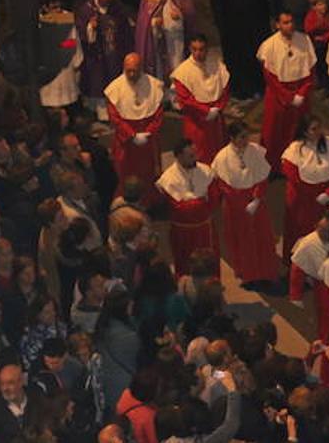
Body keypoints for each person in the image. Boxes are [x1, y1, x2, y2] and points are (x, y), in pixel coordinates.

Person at [211, 124, 278, 287]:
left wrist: (256, 199)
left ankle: (266, 272)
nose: (246, 140)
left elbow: (262, 177)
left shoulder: (255, 151)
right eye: (242, 137)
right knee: (243, 240)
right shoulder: (222, 157)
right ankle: (248, 274)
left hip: (256, 202)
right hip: (235, 206)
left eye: (247, 136)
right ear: (232, 138)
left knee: (262, 237)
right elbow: (224, 186)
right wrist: (242, 204)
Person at [210, 0, 272, 98]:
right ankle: (240, 89)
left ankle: (259, 85)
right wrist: (221, 26)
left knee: (257, 56)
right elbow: (216, 2)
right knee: (237, 59)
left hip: (256, 25)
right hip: (233, 27)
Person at [258, 12, 318, 172]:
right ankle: (274, 167)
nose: (289, 25)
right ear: (277, 24)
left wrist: (302, 93)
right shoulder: (269, 45)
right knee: (274, 132)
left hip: (300, 92)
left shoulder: (304, 40)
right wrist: (288, 96)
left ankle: (298, 163)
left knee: (299, 129)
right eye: (285, 22)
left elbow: (310, 71)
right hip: (278, 95)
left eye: (291, 22)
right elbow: (269, 77)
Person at [281, 118, 329, 260]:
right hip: (304, 202)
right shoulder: (295, 150)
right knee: (304, 233)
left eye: (319, 128)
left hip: (328, 198)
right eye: (313, 129)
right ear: (304, 132)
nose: (318, 132)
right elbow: (294, 178)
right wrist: (315, 194)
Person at [104, 54, 165, 199]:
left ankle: (150, 202)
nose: (131, 74)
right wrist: (132, 135)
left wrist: (148, 133)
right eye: (128, 71)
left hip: (148, 141)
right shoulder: (114, 89)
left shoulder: (154, 86)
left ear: (141, 68)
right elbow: (115, 118)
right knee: (125, 172)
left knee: (148, 172)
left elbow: (158, 115)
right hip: (126, 142)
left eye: (135, 71)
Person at [156, 140, 219, 276]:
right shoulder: (169, 178)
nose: (195, 158)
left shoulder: (205, 171)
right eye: (190, 156)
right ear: (179, 156)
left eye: (194, 154)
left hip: (204, 230)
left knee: (208, 263)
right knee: (185, 264)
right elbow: (177, 208)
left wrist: (194, 205)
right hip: (182, 232)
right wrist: (199, 203)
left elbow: (214, 200)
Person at [171, 35, 232, 162]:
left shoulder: (216, 64)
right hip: (196, 121)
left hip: (216, 119)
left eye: (201, 49)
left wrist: (218, 108)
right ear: (190, 49)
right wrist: (206, 111)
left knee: (220, 152)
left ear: (207, 49)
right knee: (200, 154)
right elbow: (185, 99)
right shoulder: (182, 71)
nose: (198, 53)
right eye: (194, 49)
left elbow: (225, 88)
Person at [134, 0, 199, 80]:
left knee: (177, 66)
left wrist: (181, 15)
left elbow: (190, 13)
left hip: (176, 41)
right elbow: (144, 23)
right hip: (158, 42)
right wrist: (154, 23)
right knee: (160, 67)